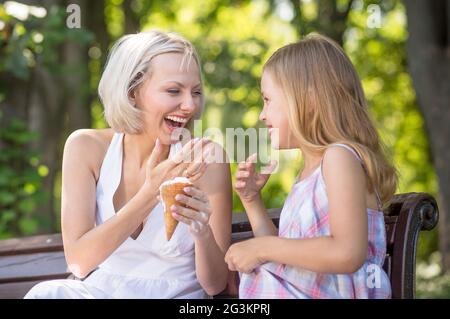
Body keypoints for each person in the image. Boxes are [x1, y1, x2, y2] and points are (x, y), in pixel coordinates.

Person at [25, 30, 232, 299]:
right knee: (47, 293)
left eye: (196, 92)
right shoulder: (86, 148)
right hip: (102, 291)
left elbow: (215, 285)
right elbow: (79, 262)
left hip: (178, 295)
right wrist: (150, 193)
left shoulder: (206, 158)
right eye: (173, 90)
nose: (190, 105)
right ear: (132, 91)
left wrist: (201, 232)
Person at [225, 34, 397, 299]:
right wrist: (251, 201)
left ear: (309, 100)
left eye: (268, 100)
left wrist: (261, 248)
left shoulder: (339, 158)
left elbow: (347, 253)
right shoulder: (310, 173)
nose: (262, 114)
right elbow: (288, 257)